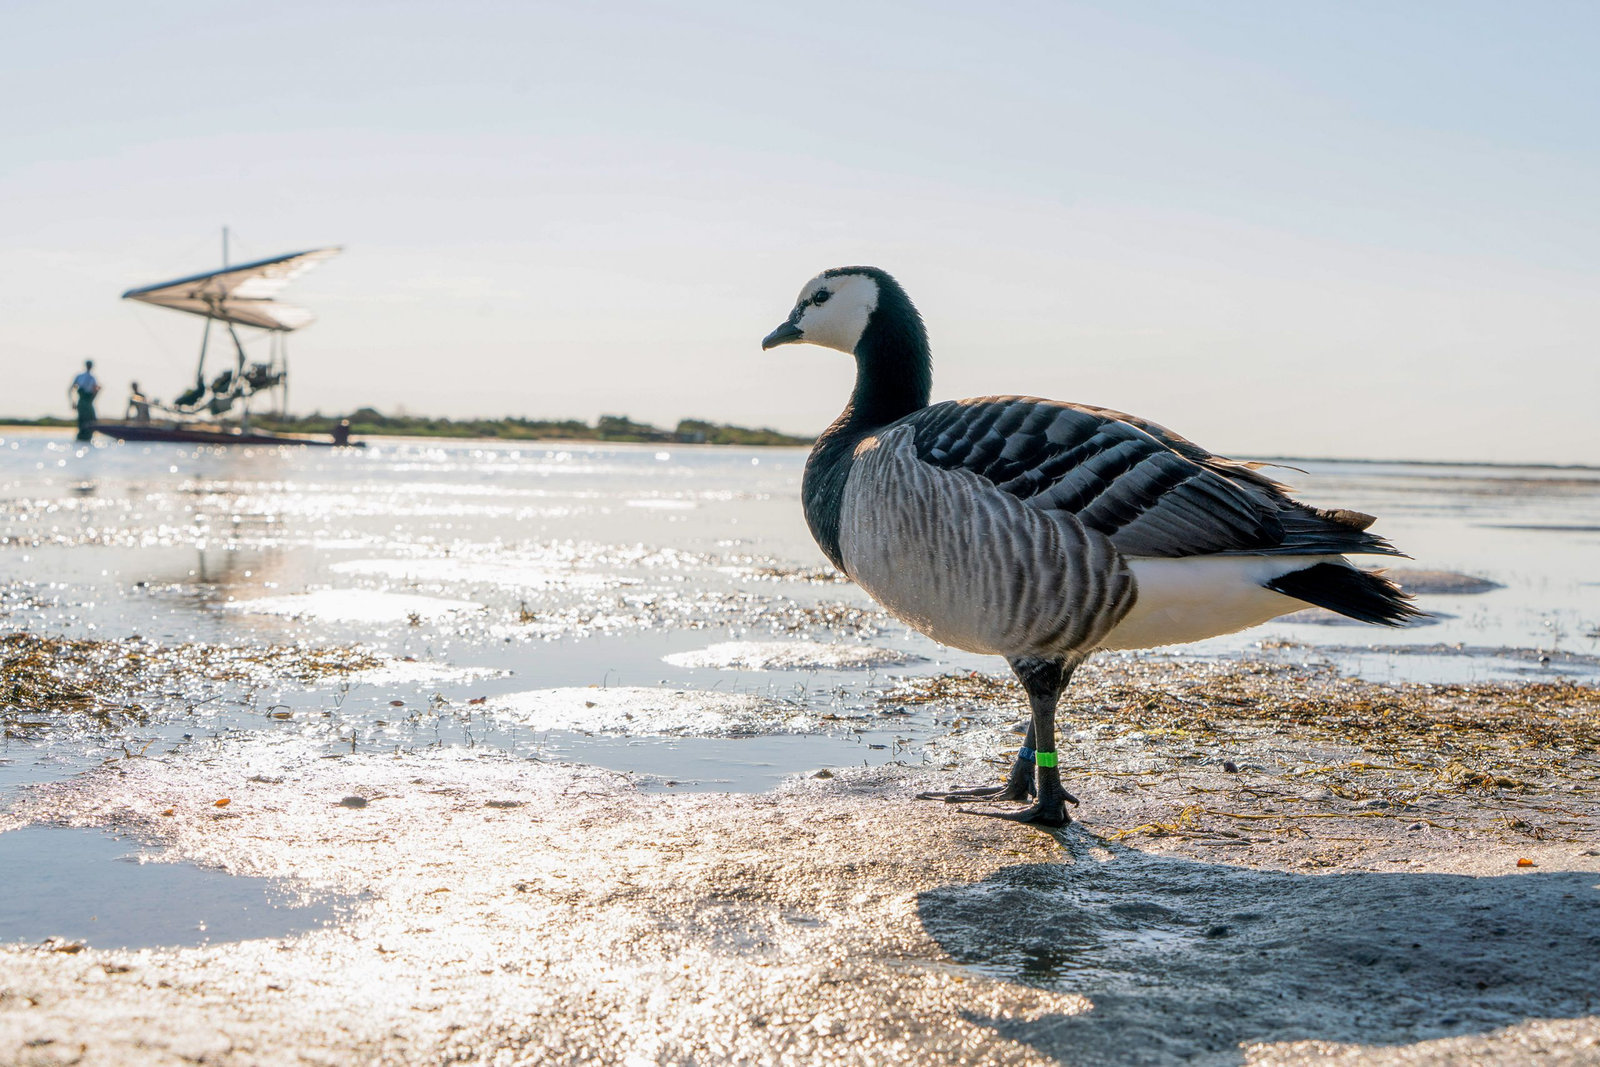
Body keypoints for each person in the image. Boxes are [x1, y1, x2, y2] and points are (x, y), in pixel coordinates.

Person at [68, 360, 100, 441]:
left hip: (88, 403)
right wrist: (73, 402)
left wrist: (92, 399)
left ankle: (88, 437)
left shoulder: (93, 378)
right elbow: (71, 389)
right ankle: (81, 438)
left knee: (91, 420)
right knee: (82, 421)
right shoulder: (80, 377)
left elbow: (95, 390)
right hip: (82, 402)